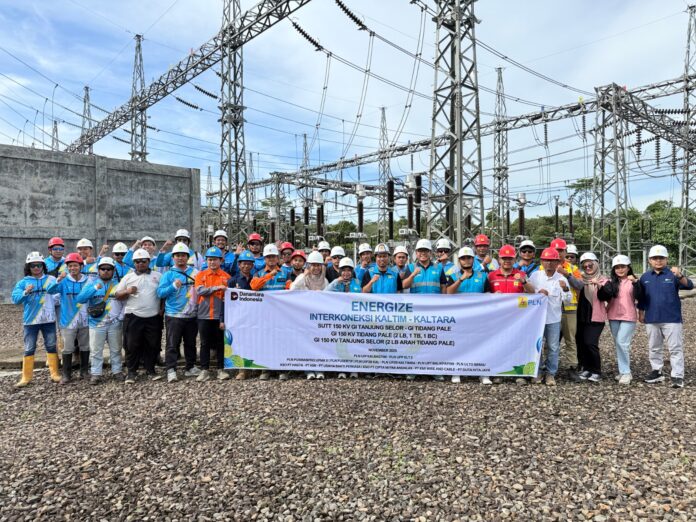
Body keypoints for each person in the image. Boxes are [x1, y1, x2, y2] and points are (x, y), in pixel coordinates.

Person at [638, 245, 693, 388]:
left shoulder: (673, 275)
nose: (658, 261)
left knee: (675, 348)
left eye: (661, 258)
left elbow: (689, 286)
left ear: (666, 259)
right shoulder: (645, 277)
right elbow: (642, 297)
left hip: (672, 318)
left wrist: (680, 275)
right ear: (650, 260)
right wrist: (641, 313)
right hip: (651, 318)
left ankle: (677, 376)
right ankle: (657, 371)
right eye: (655, 258)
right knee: (654, 347)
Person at [486, 244, 535, 386]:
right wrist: (492, 295)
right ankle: (499, 372)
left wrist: (524, 282)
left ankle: (519, 374)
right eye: (504, 258)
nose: (507, 261)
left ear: (514, 259)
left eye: (510, 258)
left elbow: (532, 292)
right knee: (498, 344)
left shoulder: (521, 274)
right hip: (498, 317)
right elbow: (485, 294)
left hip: (517, 318)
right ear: (499, 259)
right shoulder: (491, 275)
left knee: (517, 344)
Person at [11, 252, 60, 387]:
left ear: (43, 266)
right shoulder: (23, 282)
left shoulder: (51, 279)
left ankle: (54, 374)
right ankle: (26, 377)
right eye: (33, 265)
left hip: (48, 320)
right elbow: (15, 299)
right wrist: (25, 292)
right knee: (29, 348)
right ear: (28, 267)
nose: (36, 268)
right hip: (30, 321)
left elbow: (58, 295)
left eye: (39, 265)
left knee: (51, 345)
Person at [115, 249, 163, 383]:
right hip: (133, 315)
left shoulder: (158, 276)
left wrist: (162, 309)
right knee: (131, 345)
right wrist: (127, 291)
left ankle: (150, 370)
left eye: (143, 261)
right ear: (133, 263)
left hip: (153, 316)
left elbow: (163, 293)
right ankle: (131, 372)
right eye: (137, 261)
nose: (140, 263)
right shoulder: (128, 277)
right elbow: (117, 295)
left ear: (149, 261)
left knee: (152, 344)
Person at [402, 239, 446, 381]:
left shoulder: (438, 268)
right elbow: (404, 285)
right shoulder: (410, 267)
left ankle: (434, 369)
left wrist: (445, 304)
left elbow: (443, 287)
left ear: (430, 253)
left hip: (434, 311)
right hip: (417, 311)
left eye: (425, 251)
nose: (423, 253)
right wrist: (413, 274)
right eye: (420, 251)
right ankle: (413, 369)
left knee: (434, 340)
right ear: (416, 253)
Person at [76, 257, 124, 385]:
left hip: (114, 323)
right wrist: (94, 288)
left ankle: (117, 371)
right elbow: (80, 299)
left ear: (113, 270)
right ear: (98, 270)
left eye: (109, 269)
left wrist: (120, 318)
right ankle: (96, 373)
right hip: (96, 323)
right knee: (96, 350)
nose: (106, 271)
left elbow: (125, 302)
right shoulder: (91, 283)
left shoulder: (119, 284)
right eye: (103, 268)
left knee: (116, 349)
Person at [158, 242, 201, 383]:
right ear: (173, 257)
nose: (180, 258)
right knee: (172, 344)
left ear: (187, 257)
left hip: (192, 314)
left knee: (190, 343)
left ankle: (190, 367)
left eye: (183, 255)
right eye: (177, 255)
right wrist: (172, 286)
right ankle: (171, 369)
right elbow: (160, 293)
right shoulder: (168, 274)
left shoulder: (196, 273)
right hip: (174, 315)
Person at [446, 246, 490, 384]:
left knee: (480, 343)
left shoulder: (482, 276)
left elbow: (488, 294)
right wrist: (461, 279)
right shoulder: (453, 276)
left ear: (473, 259)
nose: (466, 260)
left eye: (469, 258)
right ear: (459, 260)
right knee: (458, 343)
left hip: (478, 316)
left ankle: (483, 373)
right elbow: (448, 292)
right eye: (463, 258)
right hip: (460, 316)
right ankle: (456, 371)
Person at [529, 248, 572, 386]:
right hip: (536, 319)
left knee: (553, 347)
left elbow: (568, 300)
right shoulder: (535, 276)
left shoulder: (561, 279)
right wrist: (538, 291)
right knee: (536, 346)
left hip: (553, 319)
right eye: (546, 260)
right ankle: (537, 372)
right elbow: (527, 292)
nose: (549, 263)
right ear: (541, 261)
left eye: (552, 261)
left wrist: (565, 289)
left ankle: (550, 373)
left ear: (558, 262)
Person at [596, 254, 641, 385]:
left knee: (622, 343)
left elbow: (641, 296)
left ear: (628, 268)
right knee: (618, 343)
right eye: (617, 267)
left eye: (623, 267)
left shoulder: (634, 281)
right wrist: (600, 287)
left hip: (628, 316)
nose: (620, 269)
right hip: (613, 315)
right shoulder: (610, 282)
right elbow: (602, 297)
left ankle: (626, 372)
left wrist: (636, 283)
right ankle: (623, 371)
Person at [47, 253, 90, 384]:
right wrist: (58, 279)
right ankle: (66, 374)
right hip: (68, 320)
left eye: (75, 265)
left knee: (85, 346)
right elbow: (50, 290)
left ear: (81, 266)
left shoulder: (88, 280)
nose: (72, 268)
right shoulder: (64, 281)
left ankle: (84, 372)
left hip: (85, 319)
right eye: (70, 266)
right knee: (68, 347)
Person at [250, 244, 288, 380]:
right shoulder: (258, 273)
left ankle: (281, 369)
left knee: (281, 340)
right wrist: (269, 275)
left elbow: (290, 289)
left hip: (281, 312)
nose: (271, 259)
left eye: (273, 256)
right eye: (268, 257)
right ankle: (265, 369)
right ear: (264, 259)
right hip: (264, 312)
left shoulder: (286, 272)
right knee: (265, 340)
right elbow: (254, 286)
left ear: (278, 258)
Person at [291, 251, 329, 380]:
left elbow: (329, 298)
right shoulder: (302, 278)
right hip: (304, 316)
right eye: (313, 265)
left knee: (319, 342)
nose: (316, 268)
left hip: (319, 317)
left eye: (318, 265)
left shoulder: (324, 281)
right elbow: (292, 289)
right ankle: (308, 370)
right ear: (308, 266)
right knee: (306, 342)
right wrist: (303, 275)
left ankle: (320, 369)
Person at [194, 247, 231, 382]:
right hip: (203, 315)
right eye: (210, 260)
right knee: (204, 343)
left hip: (219, 316)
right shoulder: (200, 275)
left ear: (220, 261)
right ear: (206, 261)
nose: (212, 262)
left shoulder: (227, 277)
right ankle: (204, 370)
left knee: (221, 343)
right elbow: (200, 291)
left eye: (215, 259)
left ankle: (221, 369)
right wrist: (217, 288)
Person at [551, 238, 584, 380]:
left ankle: (572, 367)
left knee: (570, 339)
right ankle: (549, 367)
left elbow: (580, 286)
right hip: (551, 309)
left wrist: (566, 274)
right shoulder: (542, 267)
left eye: (561, 250)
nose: (559, 253)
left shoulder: (573, 268)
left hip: (569, 309)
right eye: (556, 250)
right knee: (551, 340)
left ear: (565, 252)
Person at [575, 252, 608, 383]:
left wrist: (599, 286)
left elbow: (607, 296)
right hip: (581, 316)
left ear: (596, 264)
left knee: (591, 343)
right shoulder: (580, 279)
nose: (588, 267)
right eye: (585, 266)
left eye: (590, 265)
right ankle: (587, 368)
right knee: (582, 344)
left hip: (595, 317)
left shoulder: (603, 280)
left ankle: (596, 370)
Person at [225, 250, 255, 381]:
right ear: (239, 265)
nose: (246, 266)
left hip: (254, 316)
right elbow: (225, 301)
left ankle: (256, 368)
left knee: (254, 341)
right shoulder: (232, 281)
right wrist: (223, 319)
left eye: (249, 264)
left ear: (252, 265)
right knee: (240, 342)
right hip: (238, 318)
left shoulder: (256, 279)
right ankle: (242, 370)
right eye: (244, 263)